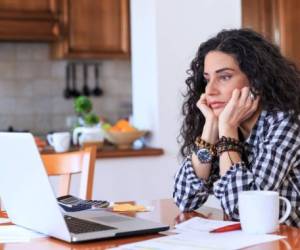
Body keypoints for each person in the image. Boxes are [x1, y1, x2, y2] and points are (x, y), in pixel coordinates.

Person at [173, 28, 300, 227]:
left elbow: (243, 211)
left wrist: (228, 129)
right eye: (207, 79)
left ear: (257, 79)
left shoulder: (287, 123)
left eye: (224, 77)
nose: (210, 90)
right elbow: (184, 198)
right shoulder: (224, 122)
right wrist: (210, 129)